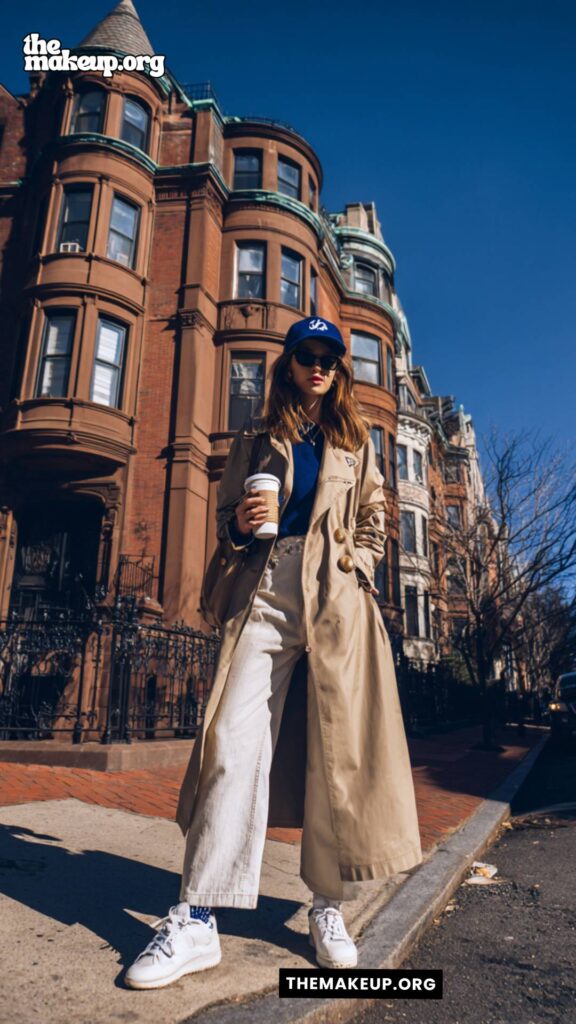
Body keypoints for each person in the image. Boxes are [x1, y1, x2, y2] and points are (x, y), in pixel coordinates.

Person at [125, 317, 422, 989]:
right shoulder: (253, 440)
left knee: (334, 757)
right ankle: (198, 915)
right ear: (288, 365)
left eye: (330, 358)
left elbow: (375, 518)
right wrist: (237, 524)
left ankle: (328, 907)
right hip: (265, 588)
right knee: (231, 742)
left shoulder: (355, 441)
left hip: (335, 597)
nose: (319, 366)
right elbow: (230, 518)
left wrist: (360, 566)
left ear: (339, 370)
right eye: (307, 356)